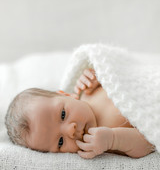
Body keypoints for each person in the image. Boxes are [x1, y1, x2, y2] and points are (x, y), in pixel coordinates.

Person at [5, 68, 155, 159]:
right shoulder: (101, 141)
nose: (70, 130)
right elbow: (149, 143)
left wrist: (95, 74)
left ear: (67, 95)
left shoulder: (86, 89)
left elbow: (113, 71)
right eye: (60, 142)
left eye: (63, 115)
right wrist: (114, 139)